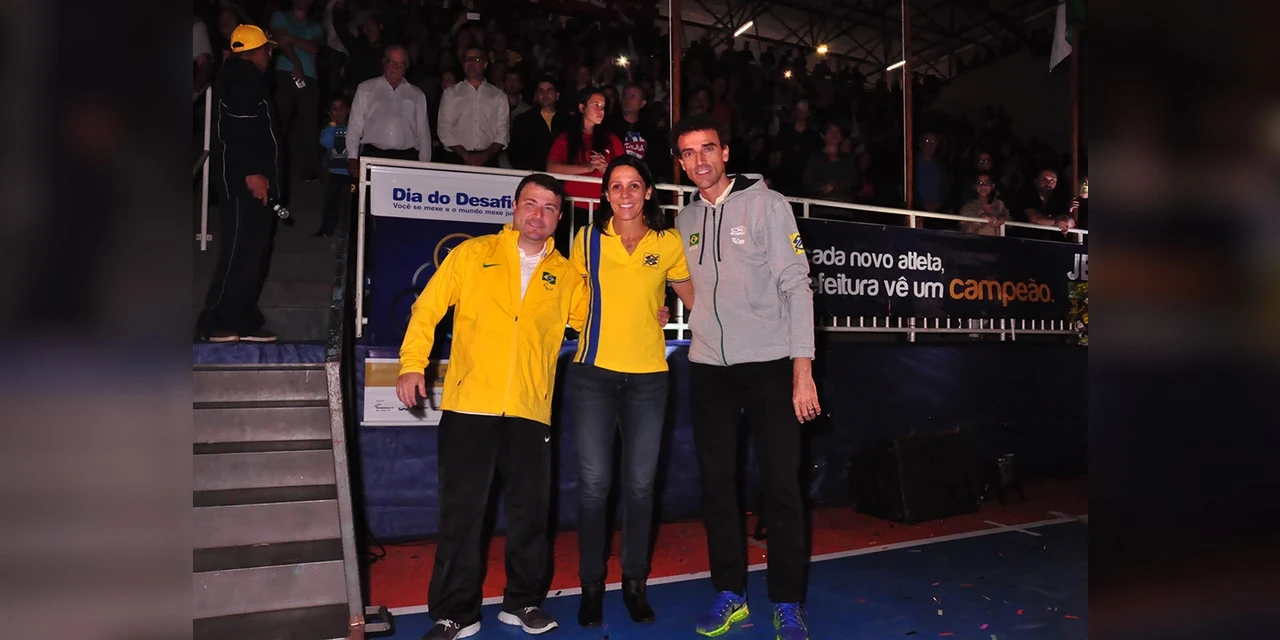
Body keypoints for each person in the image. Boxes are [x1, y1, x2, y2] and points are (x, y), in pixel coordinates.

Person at [396, 174, 584, 640]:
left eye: (549, 207)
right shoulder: (472, 253)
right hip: (470, 407)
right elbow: (427, 309)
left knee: (530, 515)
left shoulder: (567, 275)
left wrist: (653, 312)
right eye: (531, 204)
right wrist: (412, 364)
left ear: (560, 217)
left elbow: (596, 323)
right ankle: (456, 613)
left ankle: (523, 603)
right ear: (514, 208)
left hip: (530, 410)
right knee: (462, 516)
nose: (538, 214)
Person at [670, 113, 820, 640]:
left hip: (771, 363)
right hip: (709, 368)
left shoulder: (767, 205)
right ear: (681, 162)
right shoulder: (685, 219)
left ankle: (787, 601)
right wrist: (697, 318)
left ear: (726, 152)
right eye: (689, 153)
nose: (700, 160)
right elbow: (690, 286)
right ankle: (730, 593)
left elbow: (797, 285)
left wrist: (803, 370)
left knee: (781, 486)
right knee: (717, 486)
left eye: (707, 148)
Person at [569, 155, 695, 628]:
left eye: (634, 185)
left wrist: (666, 311)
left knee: (641, 487)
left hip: (648, 379)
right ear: (605, 194)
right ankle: (591, 585)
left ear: (648, 192)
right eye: (617, 186)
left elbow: (694, 300)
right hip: (593, 375)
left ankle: (635, 583)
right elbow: (571, 299)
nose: (625, 194)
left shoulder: (668, 242)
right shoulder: (586, 240)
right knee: (594, 486)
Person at [198, 24, 282, 343]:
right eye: (268, 49)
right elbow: (238, 131)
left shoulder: (242, 76)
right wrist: (251, 173)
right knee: (239, 252)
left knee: (251, 254)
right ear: (257, 51)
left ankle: (242, 319)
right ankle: (214, 321)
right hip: (243, 183)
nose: (270, 54)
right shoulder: (243, 78)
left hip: (249, 181)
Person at [317, 94, 351, 237]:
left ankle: (349, 232)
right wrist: (332, 124)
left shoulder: (354, 127)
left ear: (348, 110)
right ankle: (327, 229)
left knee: (349, 204)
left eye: (341, 108)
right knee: (331, 202)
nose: (338, 112)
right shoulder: (329, 128)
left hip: (351, 172)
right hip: (334, 172)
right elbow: (326, 142)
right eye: (334, 109)